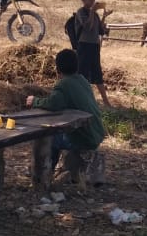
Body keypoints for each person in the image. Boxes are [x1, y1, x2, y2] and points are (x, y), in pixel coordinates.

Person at [25, 48, 106, 177]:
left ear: (58, 69)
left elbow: (53, 104)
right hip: (96, 133)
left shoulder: (63, 84)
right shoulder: (82, 80)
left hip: (84, 138)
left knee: (50, 138)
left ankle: (44, 171)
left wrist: (35, 101)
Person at [74, 0, 112, 107]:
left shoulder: (94, 14)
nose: (93, 2)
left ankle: (106, 102)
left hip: (94, 46)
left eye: (94, 0)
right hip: (84, 46)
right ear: (84, 0)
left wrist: (104, 17)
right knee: (82, 74)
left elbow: (100, 31)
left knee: (97, 73)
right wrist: (92, 12)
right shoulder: (81, 12)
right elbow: (87, 27)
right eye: (90, 0)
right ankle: (82, 101)